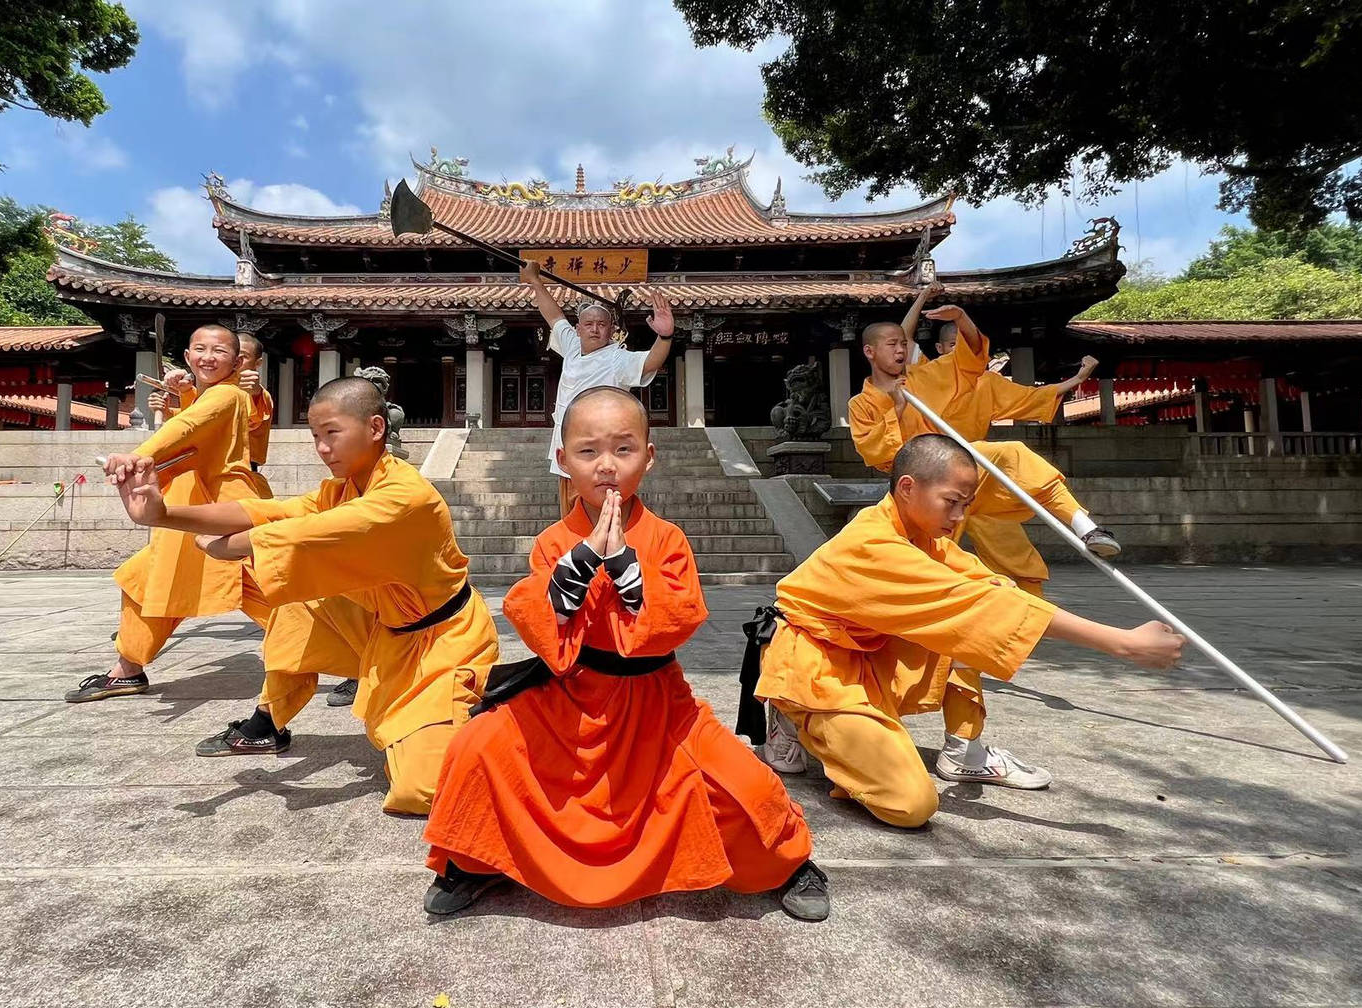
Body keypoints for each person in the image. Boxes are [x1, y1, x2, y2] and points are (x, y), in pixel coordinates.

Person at [421, 388, 826, 920]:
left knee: (743, 783)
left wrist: (628, 570)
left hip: (657, 702)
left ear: (649, 457)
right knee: (478, 745)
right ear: (562, 460)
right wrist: (583, 560)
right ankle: (475, 863)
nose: (606, 466)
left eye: (623, 450)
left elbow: (681, 616)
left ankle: (789, 862)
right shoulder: (551, 541)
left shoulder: (669, 538)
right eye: (588, 452)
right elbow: (537, 615)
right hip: (569, 698)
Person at [744, 434, 1185, 825]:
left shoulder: (927, 540)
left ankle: (963, 750)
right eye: (951, 502)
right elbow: (978, 604)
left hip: (865, 656)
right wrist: (1123, 644)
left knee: (968, 621)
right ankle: (796, 714)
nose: (958, 517)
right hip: (814, 666)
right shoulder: (873, 544)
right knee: (911, 804)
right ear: (907, 488)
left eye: (966, 505)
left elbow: (988, 588)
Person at [110, 376, 498, 816]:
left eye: (333, 433)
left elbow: (302, 532)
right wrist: (163, 514)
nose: (322, 447)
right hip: (386, 632)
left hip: (442, 642)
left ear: (375, 428)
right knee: (298, 596)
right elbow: (272, 510)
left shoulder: (404, 498)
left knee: (425, 791)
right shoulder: (345, 487)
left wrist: (225, 546)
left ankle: (477, 709)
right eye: (315, 436)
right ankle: (268, 720)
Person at [849, 289, 1116, 600]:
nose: (899, 350)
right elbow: (877, 453)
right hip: (921, 486)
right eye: (891, 345)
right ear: (870, 352)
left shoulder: (926, 377)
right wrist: (895, 408)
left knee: (1014, 490)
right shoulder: (861, 404)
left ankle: (1085, 527)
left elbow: (972, 356)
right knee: (927, 560)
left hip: (972, 468)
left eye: (903, 345)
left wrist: (963, 320)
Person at [66, 323, 268, 703]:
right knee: (145, 581)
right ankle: (127, 669)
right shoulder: (210, 395)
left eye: (219, 351)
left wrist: (138, 455)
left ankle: (357, 662)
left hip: (223, 509)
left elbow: (189, 427)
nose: (208, 357)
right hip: (193, 510)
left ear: (237, 362)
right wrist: (185, 394)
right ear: (189, 357)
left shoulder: (229, 395)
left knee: (279, 591)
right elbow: (191, 426)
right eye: (200, 349)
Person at [519, 261, 673, 513]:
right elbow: (554, 316)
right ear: (578, 329)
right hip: (568, 449)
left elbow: (650, 362)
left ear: (611, 331)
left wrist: (665, 336)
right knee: (569, 519)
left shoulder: (617, 359)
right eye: (588, 324)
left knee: (600, 519)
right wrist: (536, 281)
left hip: (599, 456)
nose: (594, 329)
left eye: (601, 325)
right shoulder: (571, 346)